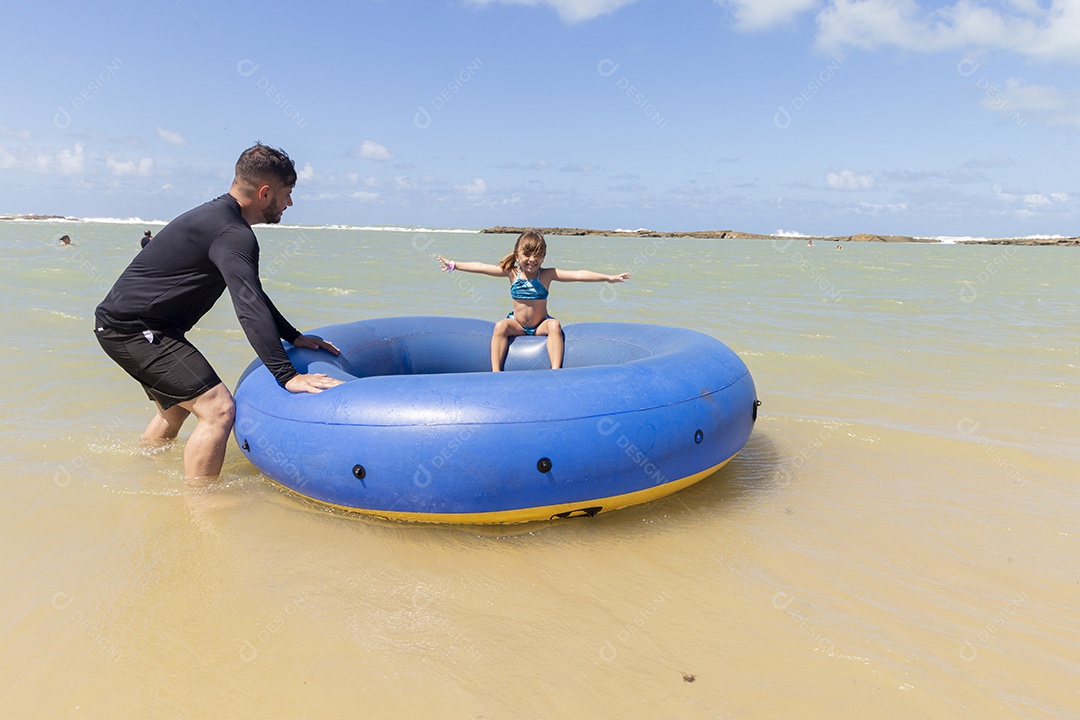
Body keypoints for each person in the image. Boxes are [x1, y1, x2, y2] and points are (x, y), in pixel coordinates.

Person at [94, 143, 343, 482]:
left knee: (174, 412)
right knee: (219, 410)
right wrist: (287, 375)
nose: (290, 204)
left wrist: (293, 336)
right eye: (287, 194)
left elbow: (253, 294)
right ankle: (202, 508)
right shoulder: (233, 233)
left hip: (128, 326)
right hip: (135, 330)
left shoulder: (221, 222)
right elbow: (248, 307)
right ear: (265, 192)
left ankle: (141, 473)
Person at [437, 230, 630, 371]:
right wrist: (455, 265)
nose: (532, 259)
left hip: (540, 325)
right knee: (500, 327)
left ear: (544, 257)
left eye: (537, 255)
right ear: (517, 255)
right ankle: (496, 372)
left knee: (554, 325)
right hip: (517, 324)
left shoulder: (546, 275)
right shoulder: (512, 273)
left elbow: (578, 274)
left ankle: (555, 370)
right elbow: (480, 267)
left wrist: (608, 278)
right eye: (527, 254)